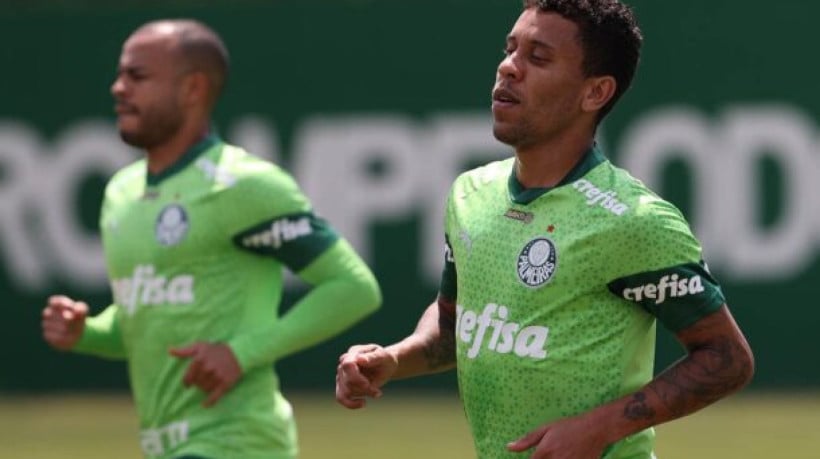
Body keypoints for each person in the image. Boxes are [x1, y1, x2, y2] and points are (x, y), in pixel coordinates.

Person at [335, 1, 754, 458]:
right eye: (510, 49)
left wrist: (597, 428)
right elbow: (456, 327)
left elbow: (726, 358)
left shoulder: (633, 220)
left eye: (538, 58)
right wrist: (394, 358)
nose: (508, 68)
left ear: (595, 93)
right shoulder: (470, 194)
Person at [41, 19, 381, 459]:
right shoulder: (120, 194)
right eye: (121, 74)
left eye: (137, 76)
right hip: (165, 446)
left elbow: (354, 287)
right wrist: (84, 332)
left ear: (192, 89)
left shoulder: (241, 184)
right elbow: (145, 328)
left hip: (236, 442)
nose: (118, 88)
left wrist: (240, 353)